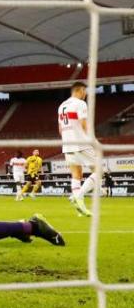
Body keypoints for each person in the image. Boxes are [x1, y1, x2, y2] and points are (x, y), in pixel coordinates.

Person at [58, 82, 98, 217]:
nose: (85, 94)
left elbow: (60, 129)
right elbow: (84, 123)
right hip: (81, 142)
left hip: (67, 144)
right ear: (80, 90)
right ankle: (78, 196)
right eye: (85, 91)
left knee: (77, 175)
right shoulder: (80, 104)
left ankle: (79, 208)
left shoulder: (62, 106)